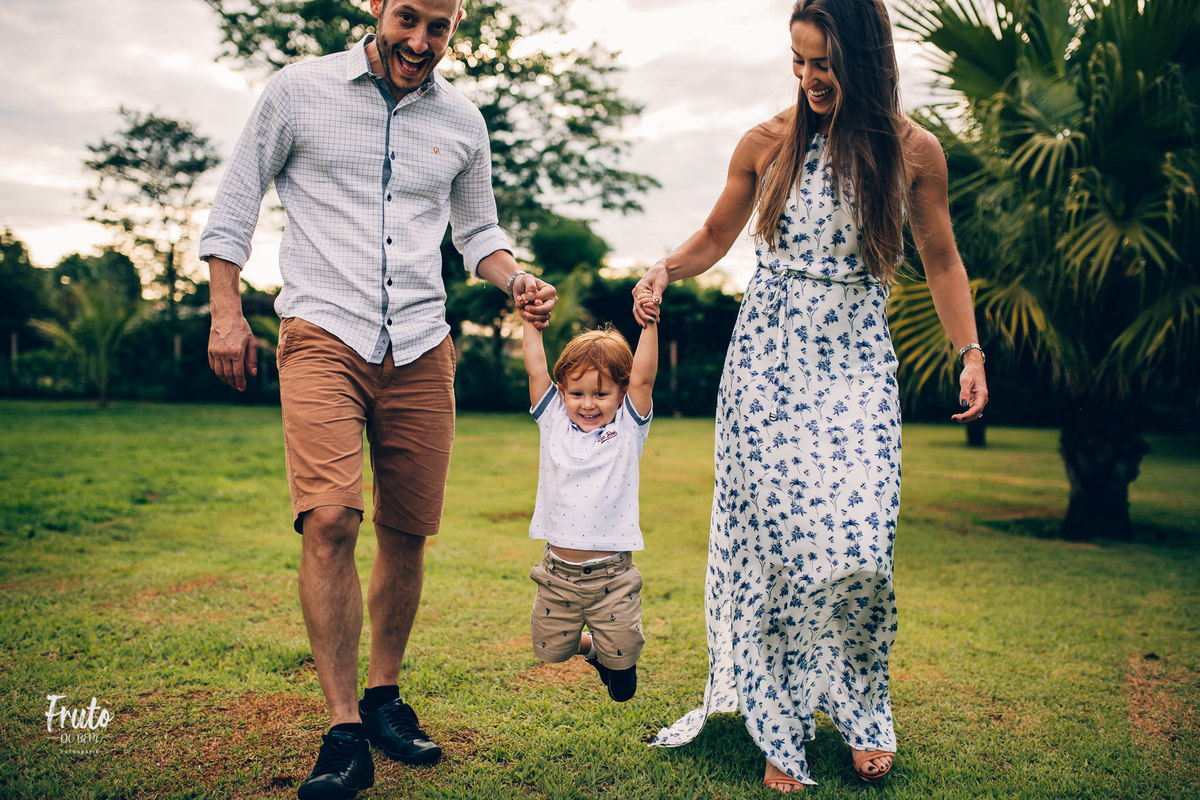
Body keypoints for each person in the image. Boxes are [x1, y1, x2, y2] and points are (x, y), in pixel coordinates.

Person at [199, 1, 556, 798]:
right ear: (376, 7)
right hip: (323, 328)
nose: (420, 42)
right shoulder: (299, 91)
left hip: (423, 343)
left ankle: (384, 697)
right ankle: (343, 730)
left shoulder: (463, 121)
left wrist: (516, 278)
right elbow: (235, 203)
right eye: (408, 20)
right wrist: (228, 312)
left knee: (407, 531)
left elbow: (478, 234)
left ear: (456, 28)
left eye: (440, 28)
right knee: (330, 517)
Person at [633, 0, 988, 791]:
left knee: (861, 541)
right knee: (778, 553)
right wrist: (665, 268)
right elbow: (716, 235)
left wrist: (971, 350)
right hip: (768, 358)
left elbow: (941, 261)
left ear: (863, 58)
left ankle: (864, 709)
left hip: (856, 356)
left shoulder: (913, 151)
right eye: (797, 61)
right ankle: (779, 720)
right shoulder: (767, 141)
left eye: (823, 63)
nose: (808, 78)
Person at [520, 306, 658, 702]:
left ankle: (613, 653)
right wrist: (530, 326)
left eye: (601, 393)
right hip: (556, 573)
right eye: (577, 393)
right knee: (551, 650)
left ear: (621, 391)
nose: (588, 404)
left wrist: (648, 325)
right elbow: (535, 371)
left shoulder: (628, 429)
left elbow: (645, 377)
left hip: (612, 575)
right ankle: (592, 649)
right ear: (562, 392)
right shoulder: (553, 421)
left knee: (623, 676)